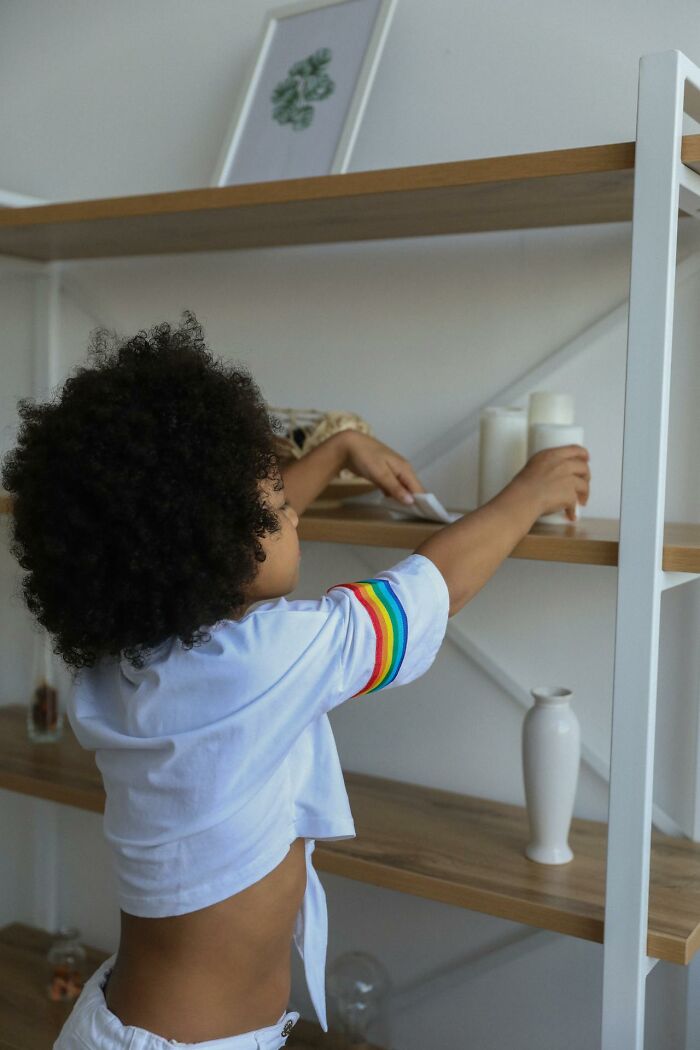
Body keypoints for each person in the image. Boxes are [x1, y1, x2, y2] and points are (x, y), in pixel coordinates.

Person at [1, 311, 590, 1050]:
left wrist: (340, 449)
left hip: (125, 1021)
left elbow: (229, 543)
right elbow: (429, 591)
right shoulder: (265, 658)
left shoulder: (128, 653)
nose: (293, 514)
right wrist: (529, 494)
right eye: (278, 506)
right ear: (216, 542)